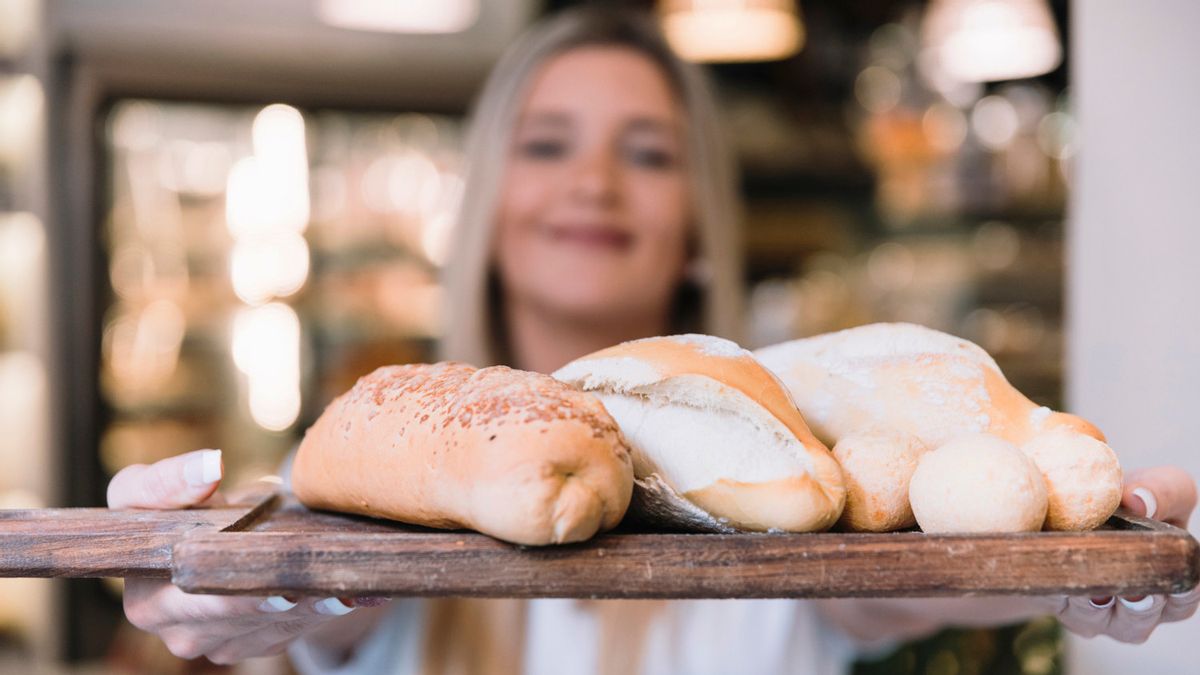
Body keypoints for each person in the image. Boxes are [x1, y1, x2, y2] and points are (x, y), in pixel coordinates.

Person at [105, 7, 1199, 674]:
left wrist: (1082, 567)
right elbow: (320, 616)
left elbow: (914, 573)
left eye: (647, 153)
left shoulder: (790, 469)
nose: (594, 182)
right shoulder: (376, 470)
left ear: (692, 224)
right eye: (548, 145)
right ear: (485, 205)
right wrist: (234, 585)